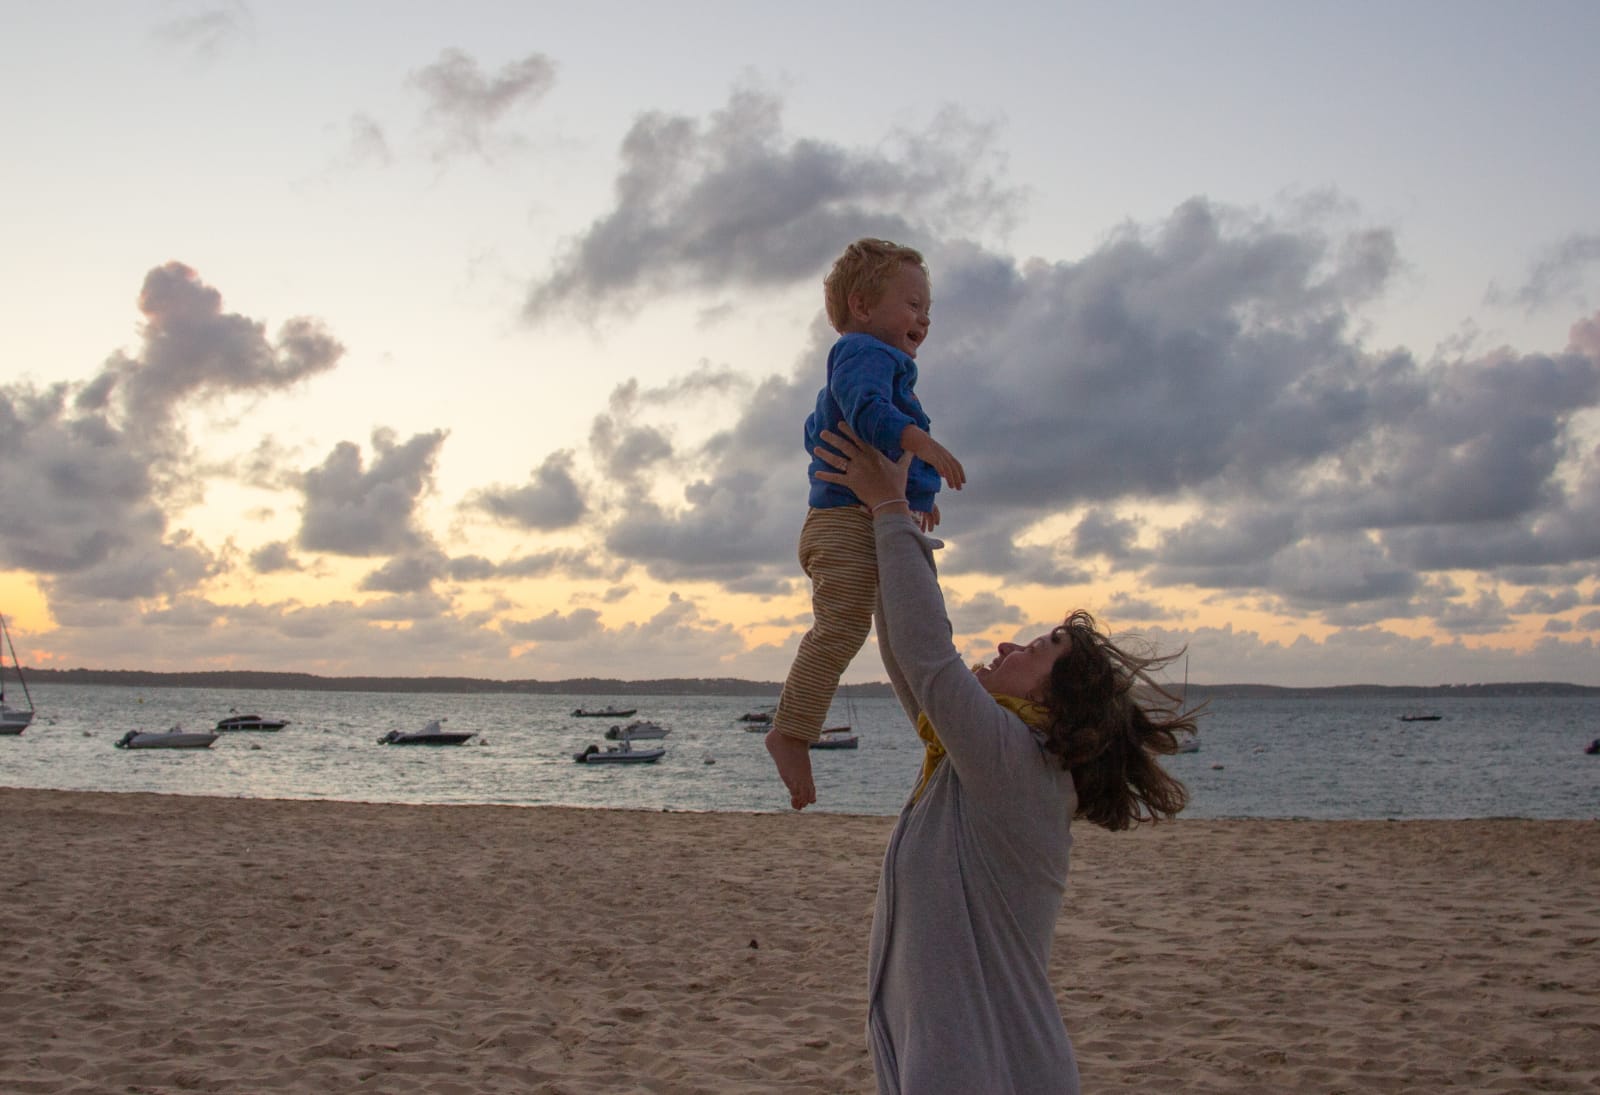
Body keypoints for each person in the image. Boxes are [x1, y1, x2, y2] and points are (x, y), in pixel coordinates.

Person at [812, 422, 1197, 1094]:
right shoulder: (981, 760)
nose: (1006, 646)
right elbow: (910, 655)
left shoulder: (1017, 767)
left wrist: (891, 511)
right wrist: (887, 517)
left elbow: (930, 657)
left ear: (1053, 705)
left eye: (1033, 651)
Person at [766, 239, 966, 810]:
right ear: (861, 306)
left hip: (856, 518)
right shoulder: (862, 354)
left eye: (928, 310)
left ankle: (942, 748)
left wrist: (919, 494)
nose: (924, 319)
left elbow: (820, 424)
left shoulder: (878, 363)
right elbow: (871, 415)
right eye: (912, 305)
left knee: (903, 633)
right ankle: (792, 731)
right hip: (844, 522)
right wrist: (923, 444)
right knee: (844, 628)